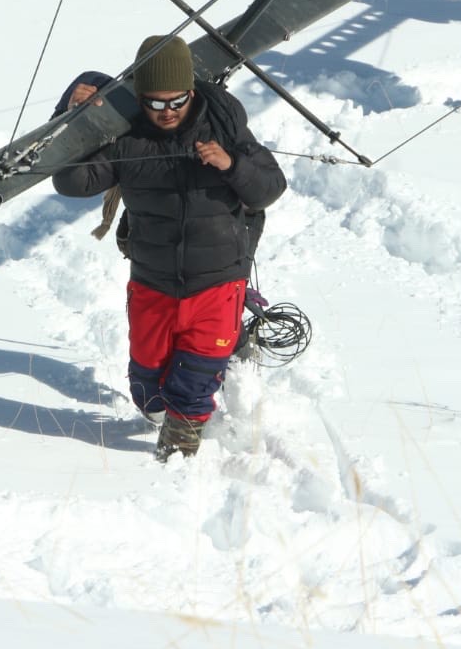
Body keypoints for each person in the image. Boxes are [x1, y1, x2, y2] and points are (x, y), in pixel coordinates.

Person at [52, 35, 286, 461]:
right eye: (155, 104)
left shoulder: (224, 127)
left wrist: (232, 166)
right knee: (147, 389)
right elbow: (71, 181)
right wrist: (74, 119)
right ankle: (178, 399)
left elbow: (270, 187)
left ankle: (182, 443)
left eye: (176, 101)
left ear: (190, 92)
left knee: (195, 375)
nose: (167, 112)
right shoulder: (127, 140)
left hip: (218, 276)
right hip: (153, 279)